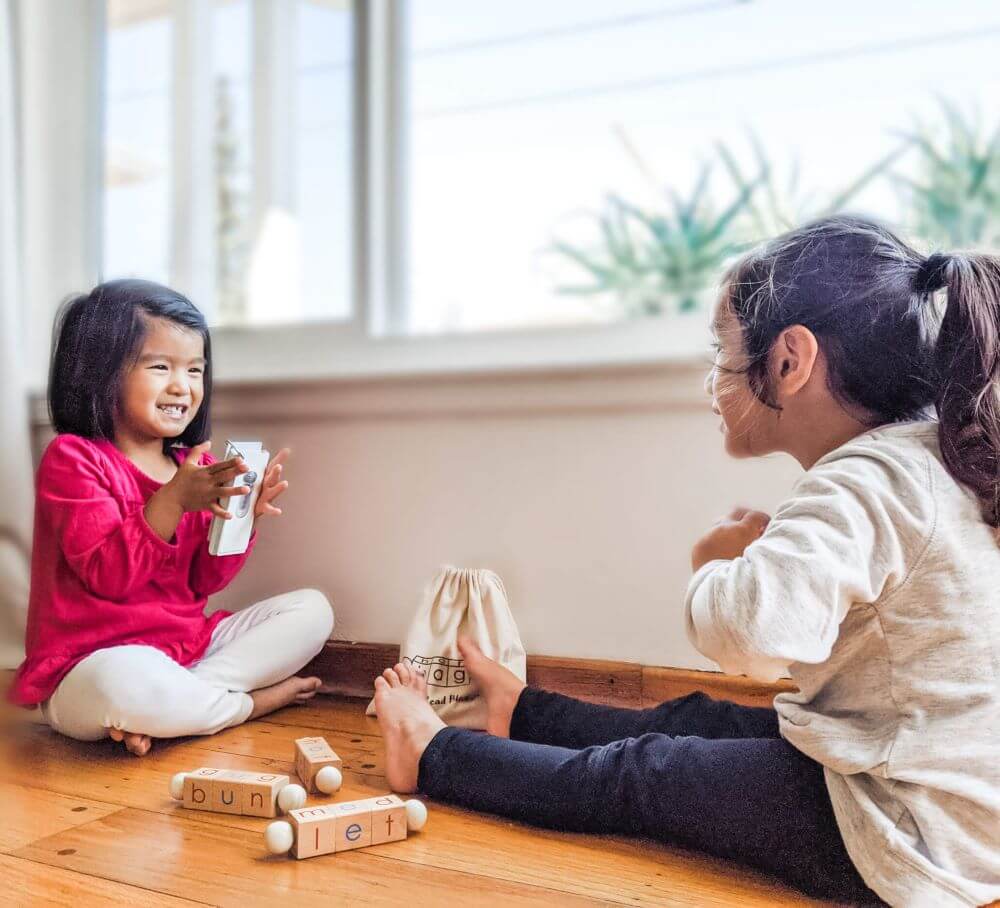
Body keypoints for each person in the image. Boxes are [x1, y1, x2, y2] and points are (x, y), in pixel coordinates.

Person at [372, 217, 1000, 907]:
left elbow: (755, 639)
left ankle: (433, 753)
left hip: (904, 834)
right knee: (707, 719)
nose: (712, 380)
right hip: (948, 803)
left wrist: (717, 564)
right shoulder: (931, 457)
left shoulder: (861, 482)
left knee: (648, 773)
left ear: (790, 360)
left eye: (721, 353)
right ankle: (521, 711)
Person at [8, 279, 334, 756]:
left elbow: (203, 581)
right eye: (160, 367)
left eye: (195, 370)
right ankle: (246, 705)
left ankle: (181, 706)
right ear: (99, 373)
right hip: (88, 666)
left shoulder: (193, 468)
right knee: (124, 684)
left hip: (185, 652)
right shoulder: (73, 459)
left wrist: (243, 523)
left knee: (313, 611)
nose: (183, 386)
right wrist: (173, 501)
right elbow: (109, 575)